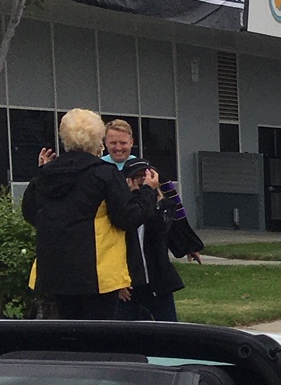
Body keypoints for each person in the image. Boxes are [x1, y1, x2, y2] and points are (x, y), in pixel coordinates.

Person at [22, 108, 143, 319]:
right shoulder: (104, 174)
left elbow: (30, 213)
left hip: (56, 268)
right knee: (98, 335)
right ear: (99, 140)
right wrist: (147, 194)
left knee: (69, 331)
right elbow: (127, 218)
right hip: (97, 272)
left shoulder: (46, 174)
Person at [105, 119, 200, 321]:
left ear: (131, 142)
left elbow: (173, 211)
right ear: (105, 142)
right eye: (113, 143)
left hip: (153, 268)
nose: (118, 147)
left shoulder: (148, 171)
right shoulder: (101, 171)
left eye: (123, 142)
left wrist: (187, 244)